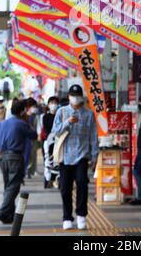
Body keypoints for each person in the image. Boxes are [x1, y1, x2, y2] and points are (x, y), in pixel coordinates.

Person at [52, 85, 98, 231]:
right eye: (73, 95)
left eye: (77, 95)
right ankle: (67, 217)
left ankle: (81, 215)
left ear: (81, 96)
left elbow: (93, 136)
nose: (75, 97)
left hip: (82, 156)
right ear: (69, 97)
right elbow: (55, 132)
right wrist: (67, 122)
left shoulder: (88, 114)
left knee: (82, 184)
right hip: (65, 156)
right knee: (65, 188)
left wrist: (95, 155)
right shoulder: (62, 112)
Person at [0, 100, 37, 224]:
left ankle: (8, 216)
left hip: (3, 159)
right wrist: (27, 121)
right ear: (22, 111)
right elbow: (34, 135)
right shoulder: (22, 124)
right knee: (13, 187)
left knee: (8, 186)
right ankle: (3, 211)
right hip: (16, 158)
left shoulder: (3, 124)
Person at [41, 96, 59, 188]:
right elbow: (46, 129)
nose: (53, 105)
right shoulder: (45, 117)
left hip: (59, 141)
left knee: (58, 160)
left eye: (55, 102)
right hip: (48, 141)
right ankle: (48, 179)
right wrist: (51, 136)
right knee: (48, 160)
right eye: (51, 103)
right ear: (48, 105)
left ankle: (56, 178)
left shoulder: (60, 115)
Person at [25, 98, 40, 178]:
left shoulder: (35, 116)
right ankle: (27, 170)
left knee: (33, 154)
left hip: (34, 137)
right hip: (26, 138)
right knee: (27, 154)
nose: (35, 108)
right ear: (28, 107)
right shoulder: (24, 116)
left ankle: (32, 170)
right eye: (33, 106)